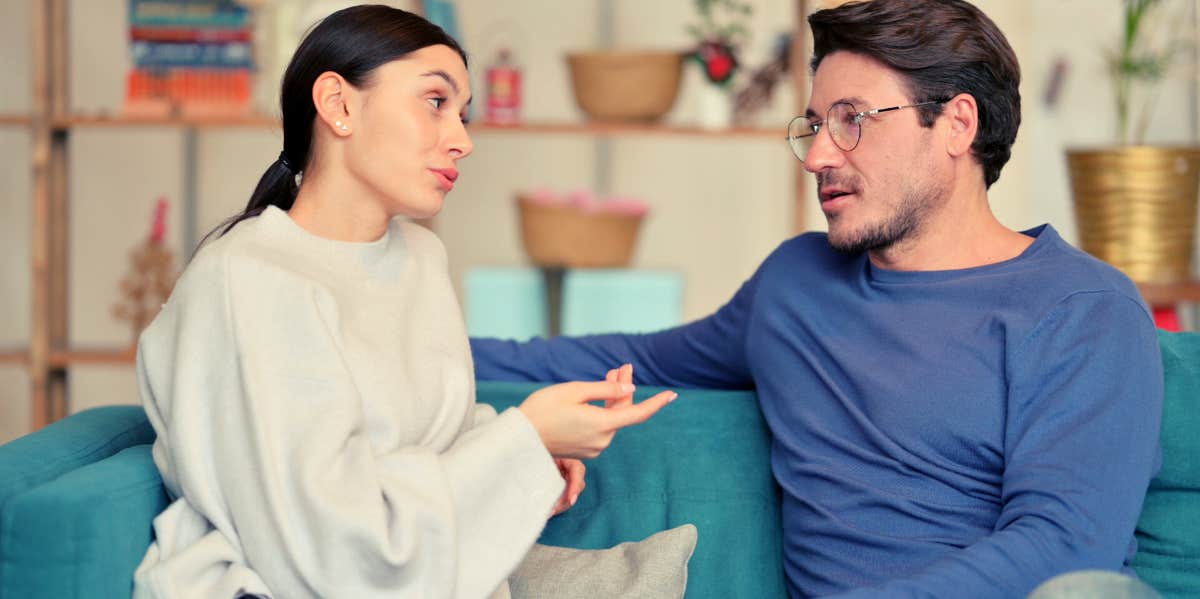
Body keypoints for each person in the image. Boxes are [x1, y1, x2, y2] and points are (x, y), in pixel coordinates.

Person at [470, 1, 1163, 597]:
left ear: (957, 124)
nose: (818, 156)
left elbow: (1068, 547)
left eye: (852, 119)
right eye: (814, 125)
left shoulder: (1082, 308)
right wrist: (401, 349)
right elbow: (622, 357)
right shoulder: (796, 286)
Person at [131, 6, 676, 599]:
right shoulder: (246, 279)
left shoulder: (419, 259)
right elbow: (329, 543)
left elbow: (431, 445)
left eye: (464, 115)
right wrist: (521, 439)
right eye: (436, 102)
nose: (463, 140)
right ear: (339, 105)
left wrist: (531, 459)